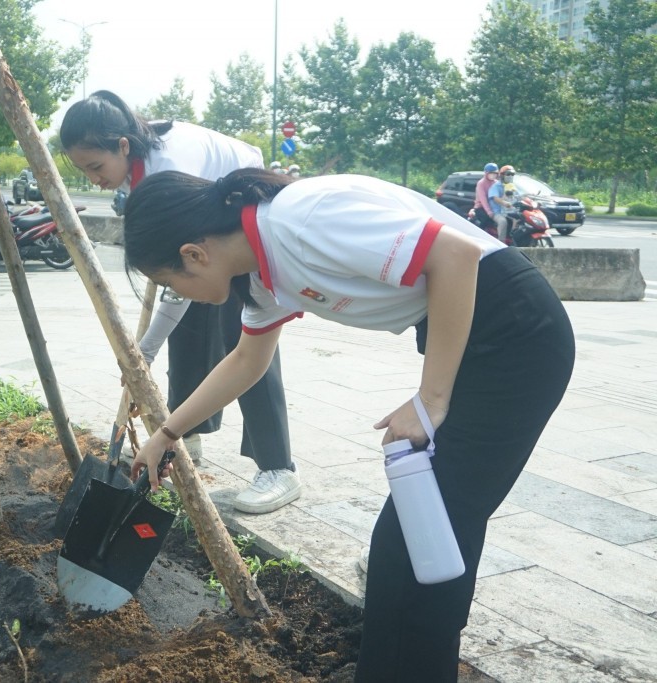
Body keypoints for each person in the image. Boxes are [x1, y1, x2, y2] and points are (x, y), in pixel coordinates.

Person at [122, 169, 575, 682]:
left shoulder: (301, 220)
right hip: (480, 335)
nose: (174, 295)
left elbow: (457, 255)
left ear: (193, 254)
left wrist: (429, 401)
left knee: (417, 543)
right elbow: (247, 360)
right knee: (420, 544)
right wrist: (167, 433)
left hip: (515, 334)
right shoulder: (261, 273)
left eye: (168, 284)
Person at [60, 90, 299, 514]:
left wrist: (142, 353)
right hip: (206, 230)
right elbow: (176, 283)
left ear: (123, 146)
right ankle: (188, 434)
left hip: (240, 226)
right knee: (187, 330)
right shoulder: (139, 166)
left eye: (96, 167)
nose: (95, 180)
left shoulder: (168, 166)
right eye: (84, 172)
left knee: (247, 336)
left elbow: (177, 282)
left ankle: (277, 466)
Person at [488, 165, 515, 243]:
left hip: (509, 211)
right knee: (503, 222)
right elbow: (495, 198)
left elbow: (517, 196)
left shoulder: (511, 186)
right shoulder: (496, 186)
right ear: (502, 175)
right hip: (497, 212)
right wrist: (504, 202)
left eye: (512, 174)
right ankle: (501, 242)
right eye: (508, 174)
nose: (510, 176)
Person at [471, 162, 499, 234]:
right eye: (491, 173)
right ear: (486, 173)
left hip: (493, 207)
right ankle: (479, 234)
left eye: (495, 173)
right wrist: (489, 211)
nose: (493, 175)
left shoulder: (496, 183)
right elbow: (483, 200)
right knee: (485, 219)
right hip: (481, 207)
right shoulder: (481, 183)